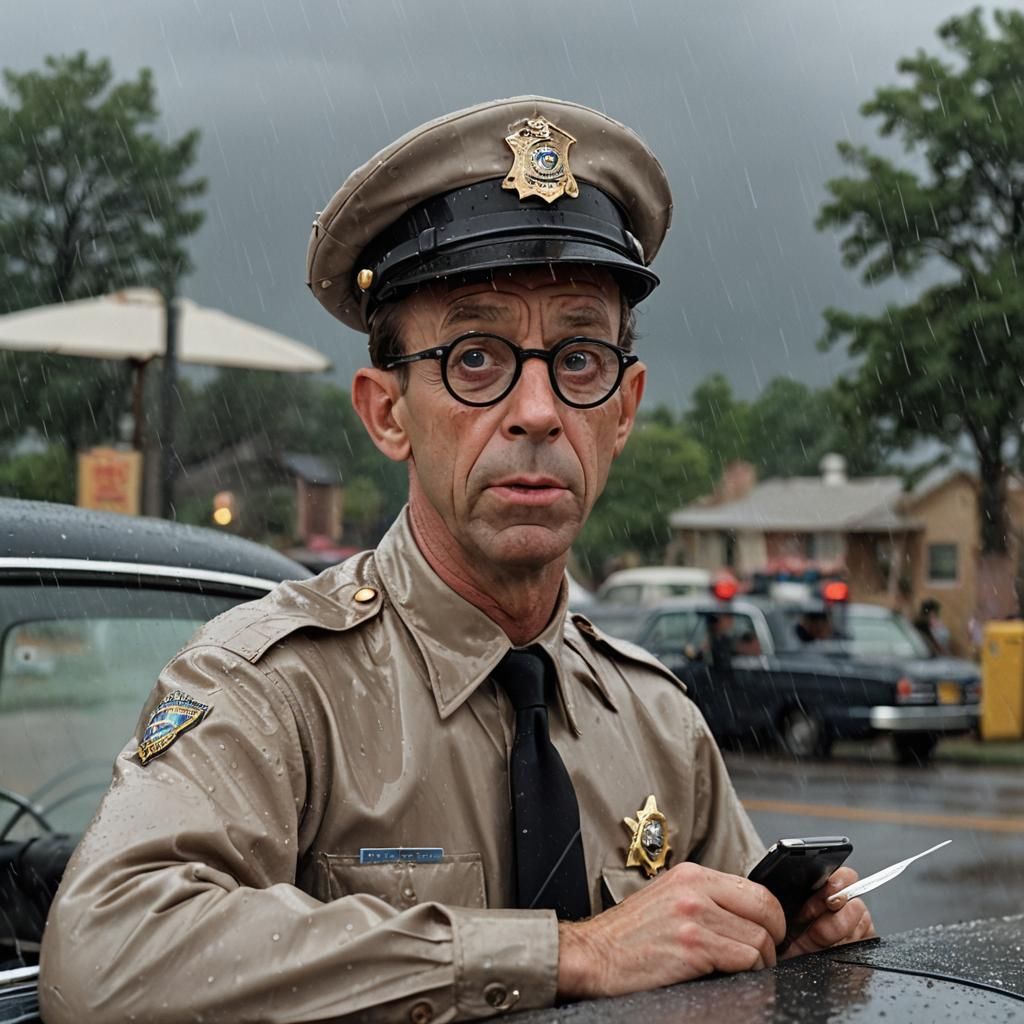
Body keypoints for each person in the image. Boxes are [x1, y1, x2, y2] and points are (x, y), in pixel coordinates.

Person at [39, 97, 873, 1023]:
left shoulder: (658, 724)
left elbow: (720, 971)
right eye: (476, 359)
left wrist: (781, 958)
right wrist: (569, 954)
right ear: (385, 412)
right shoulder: (271, 690)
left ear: (625, 409)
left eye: (581, 357)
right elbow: (105, 958)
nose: (538, 410)